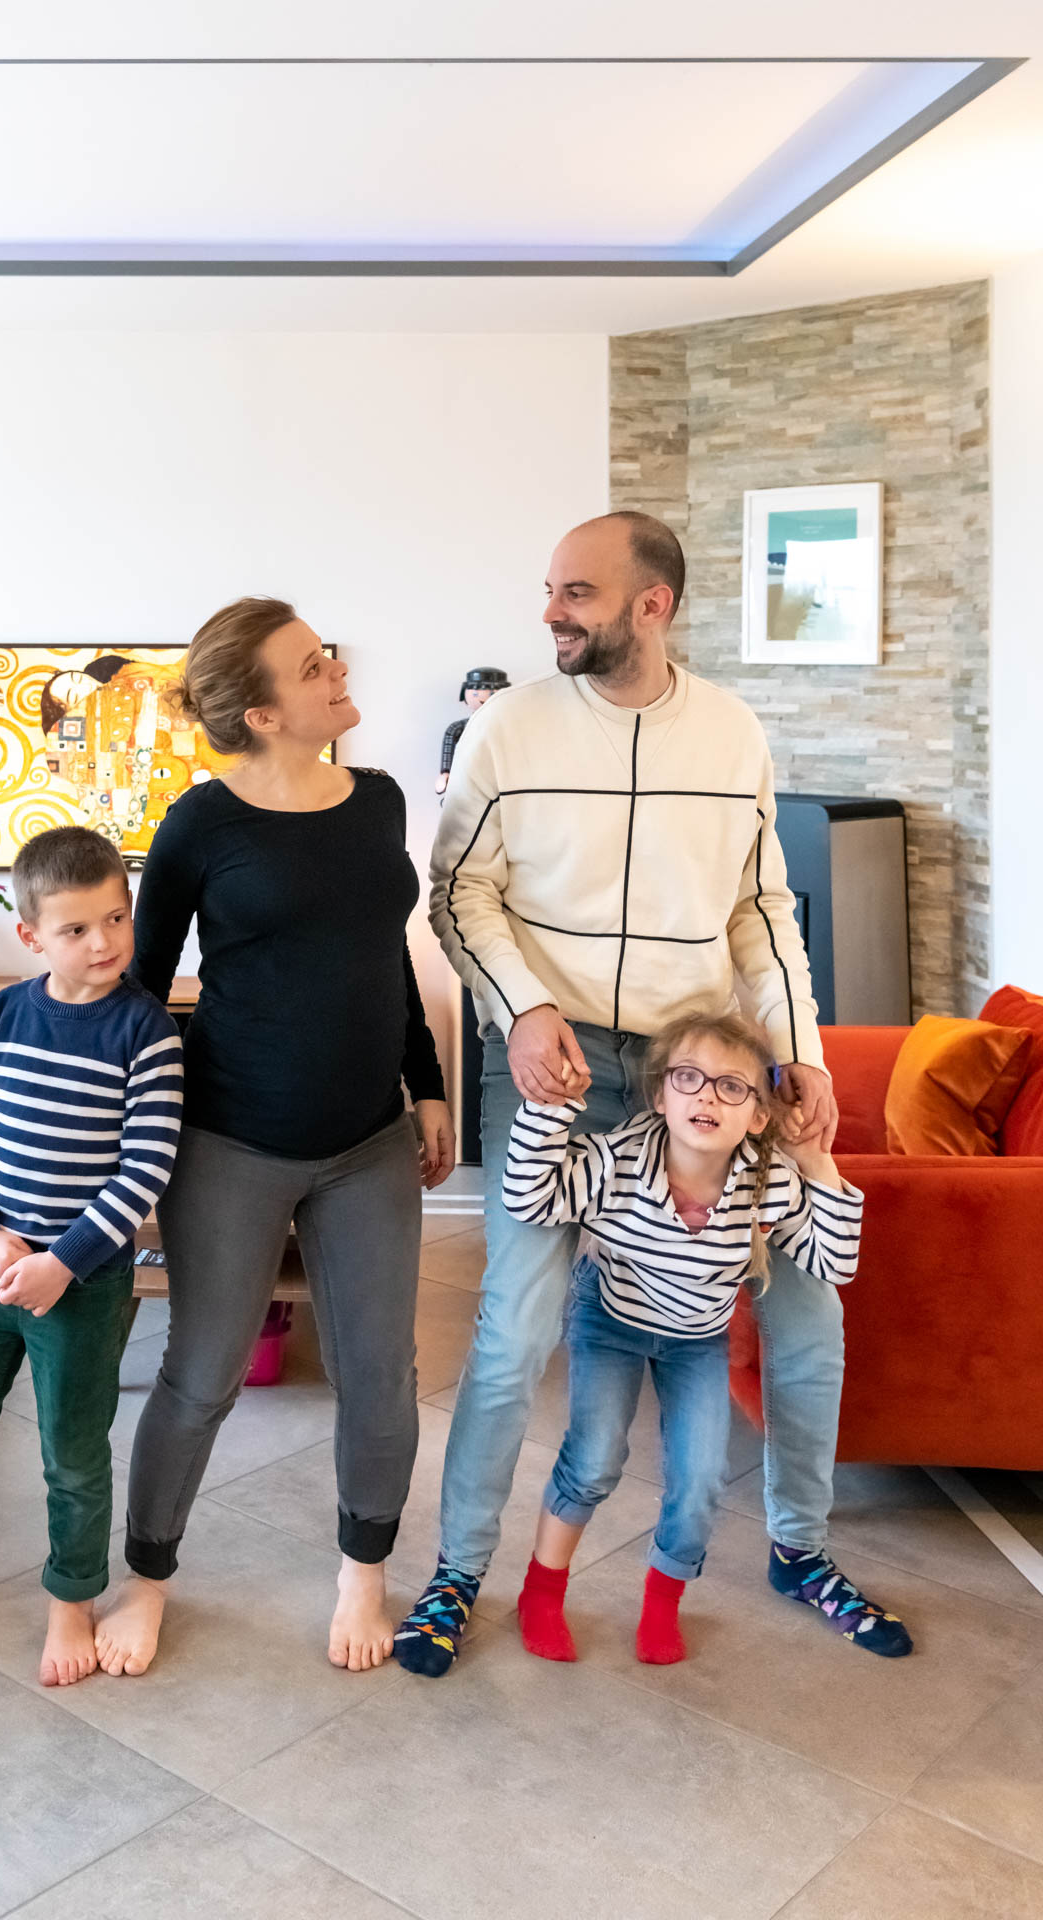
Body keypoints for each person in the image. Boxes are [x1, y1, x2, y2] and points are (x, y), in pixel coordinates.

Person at [393, 509, 912, 1676]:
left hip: (701, 1059)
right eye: (547, 590)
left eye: (573, 592)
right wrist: (521, 1008)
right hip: (547, 1050)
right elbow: (456, 893)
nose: (548, 613)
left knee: (804, 1316)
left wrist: (803, 1051)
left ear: (650, 604)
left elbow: (758, 910)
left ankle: (797, 1546)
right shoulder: (508, 729)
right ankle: (457, 1575)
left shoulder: (730, 735)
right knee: (512, 1330)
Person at [94, 597, 455, 1680]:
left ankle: (361, 1572)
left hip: (366, 1142)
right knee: (200, 1376)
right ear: (260, 712)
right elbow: (145, 989)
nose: (335, 669)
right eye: (309, 667)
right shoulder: (201, 826)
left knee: (380, 1375)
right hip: (230, 1140)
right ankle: (146, 1580)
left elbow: (384, 955)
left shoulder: (380, 802)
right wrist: (126, 1137)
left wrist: (426, 1088)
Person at [0, 827, 184, 1686]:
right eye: (78, 929)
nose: (105, 943)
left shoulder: (147, 1031)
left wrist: (64, 1263)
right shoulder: (1, 1015)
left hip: (81, 1288)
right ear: (31, 937)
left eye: (117, 919)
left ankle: (70, 1598)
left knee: (74, 1452)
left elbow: (145, 1168)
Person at [506, 1010, 879, 1665]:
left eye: (731, 1087)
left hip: (696, 1339)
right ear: (659, 1096)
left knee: (701, 1477)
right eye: (688, 1078)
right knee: (593, 1460)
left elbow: (834, 1263)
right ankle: (541, 1591)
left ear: (758, 1116)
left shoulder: (766, 1183)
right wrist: (550, 1112)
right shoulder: (616, 1157)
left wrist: (816, 1161)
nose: (707, 1095)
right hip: (611, 1320)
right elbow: (529, 1200)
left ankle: (660, 1605)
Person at [436, 668, 510, 796]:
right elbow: (449, 745)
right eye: (475, 694)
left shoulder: (509, 727)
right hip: (467, 780)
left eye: (492, 694)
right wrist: (445, 773)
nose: (483, 699)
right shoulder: (458, 727)